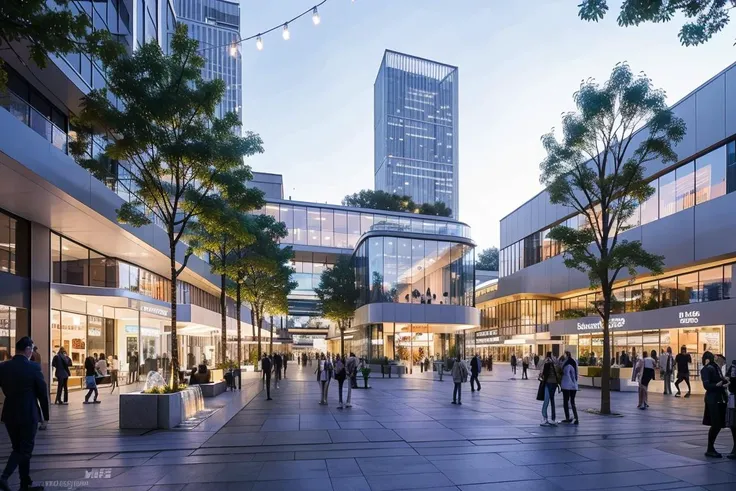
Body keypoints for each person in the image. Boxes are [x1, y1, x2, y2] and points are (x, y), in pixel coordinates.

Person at [0, 337, 49, 491]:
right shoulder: (33, 367)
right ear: (28, 349)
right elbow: (42, 392)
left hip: (9, 413)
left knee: (19, 448)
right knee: (24, 449)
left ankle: (25, 483)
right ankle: (4, 477)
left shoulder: (3, 367)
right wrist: (45, 417)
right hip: (28, 413)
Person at [701, 351, 730, 458]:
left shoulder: (713, 368)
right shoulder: (709, 368)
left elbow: (710, 384)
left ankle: (710, 447)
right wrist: (719, 384)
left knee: (717, 424)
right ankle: (710, 448)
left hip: (717, 398)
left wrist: (723, 383)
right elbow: (707, 385)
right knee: (716, 424)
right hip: (713, 399)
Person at [540, 352, 560, 426]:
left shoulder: (546, 362)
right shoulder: (555, 363)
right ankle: (553, 419)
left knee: (546, 400)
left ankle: (545, 418)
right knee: (552, 400)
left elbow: (541, 374)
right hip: (554, 383)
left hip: (548, 383)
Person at [561, 351, 579, 424]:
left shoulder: (566, 364)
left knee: (565, 401)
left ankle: (567, 418)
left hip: (566, 385)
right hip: (574, 386)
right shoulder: (574, 362)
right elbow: (576, 374)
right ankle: (576, 417)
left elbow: (566, 374)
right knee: (572, 402)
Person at [725, 358, 736, 459]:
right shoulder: (734, 364)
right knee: (733, 423)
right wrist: (727, 379)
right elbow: (728, 376)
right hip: (733, 396)